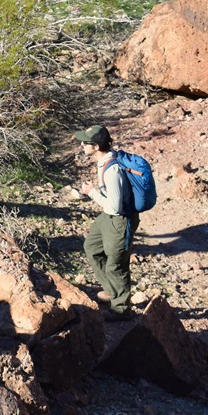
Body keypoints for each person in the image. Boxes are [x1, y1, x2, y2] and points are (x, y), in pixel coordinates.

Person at [76, 124, 138, 320]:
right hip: (108, 217)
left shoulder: (112, 170)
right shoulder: (103, 161)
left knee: (116, 264)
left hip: (120, 220)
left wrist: (91, 192)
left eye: (85, 143)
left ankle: (121, 309)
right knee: (92, 247)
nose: (81, 145)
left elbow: (115, 206)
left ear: (95, 146)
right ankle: (111, 290)